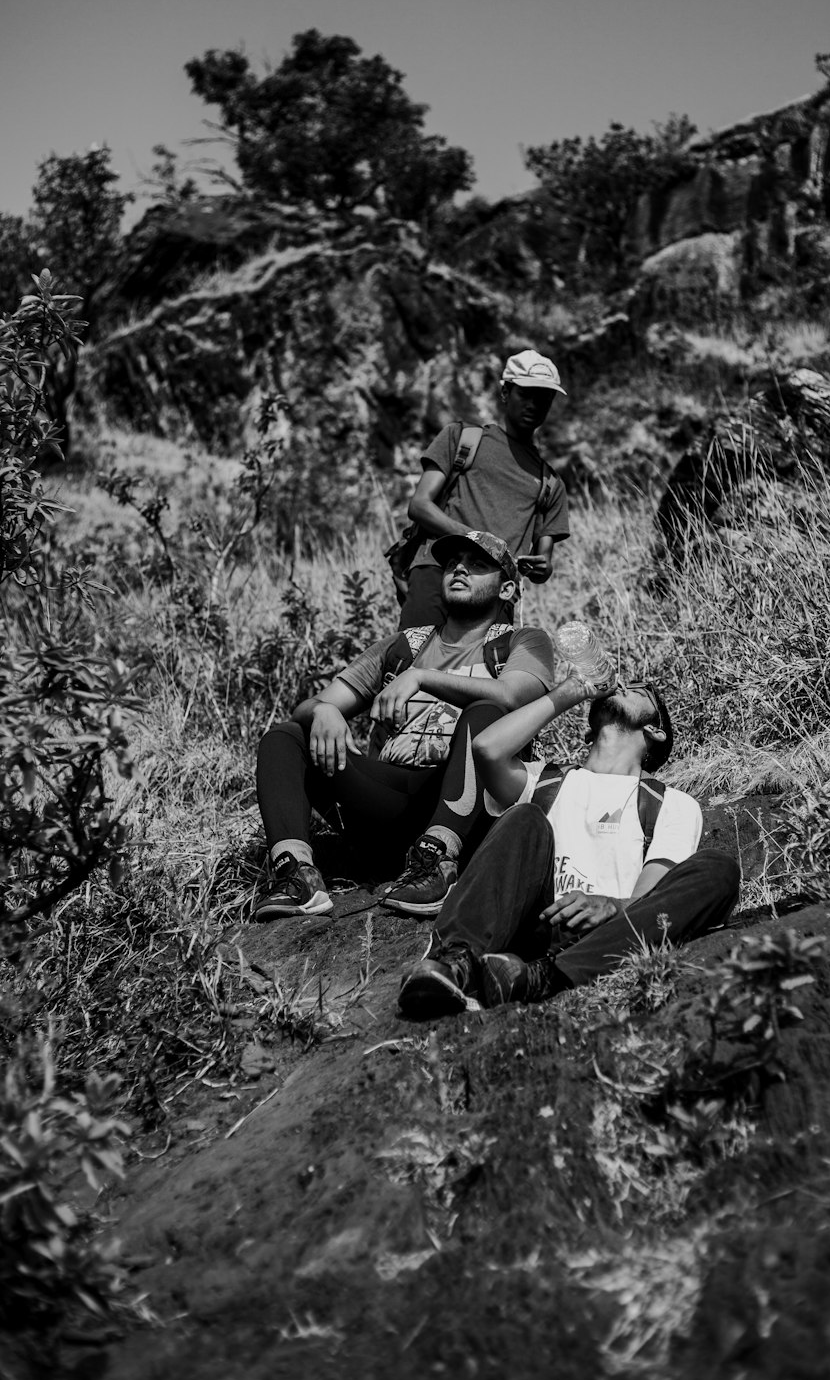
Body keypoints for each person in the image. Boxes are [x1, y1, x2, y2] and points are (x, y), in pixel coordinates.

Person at [252, 532, 555, 922]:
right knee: (285, 736)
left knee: (486, 712)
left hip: (471, 809)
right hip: (391, 801)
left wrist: (422, 678)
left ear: (508, 588)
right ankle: (297, 875)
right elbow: (312, 705)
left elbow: (512, 696)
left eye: (478, 564)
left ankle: (439, 862)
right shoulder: (404, 646)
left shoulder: (521, 642)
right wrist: (323, 712)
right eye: (451, 563)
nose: (459, 568)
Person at [397, 675, 740, 1016]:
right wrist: (569, 693)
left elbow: (649, 897)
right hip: (531, 925)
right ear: (589, 730)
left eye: (639, 689)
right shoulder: (544, 781)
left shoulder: (671, 804)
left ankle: (546, 977)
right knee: (524, 817)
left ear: (655, 731)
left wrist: (613, 906)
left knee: (719, 869)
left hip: (603, 937)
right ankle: (456, 965)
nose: (622, 684)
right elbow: (487, 748)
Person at [398, 350, 571, 629]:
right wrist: (477, 540)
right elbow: (419, 506)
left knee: (480, 672)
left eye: (543, 398)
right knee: (410, 661)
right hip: (439, 569)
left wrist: (540, 567)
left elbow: (544, 562)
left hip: (496, 591)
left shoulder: (551, 483)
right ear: (505, 393)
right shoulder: (462, 437)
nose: (534, 405)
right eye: (525, 394)